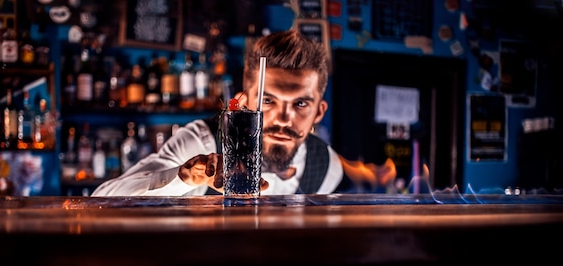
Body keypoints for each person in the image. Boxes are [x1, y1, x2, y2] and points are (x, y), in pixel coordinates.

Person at [91, 29, 395, 196]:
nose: (284, 118)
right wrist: (184, 176)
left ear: (318, 112)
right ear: (242, 102)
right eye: (268, 101)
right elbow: (102, 198)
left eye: (301, 104)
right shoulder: (201, 142)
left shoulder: (328, 166)